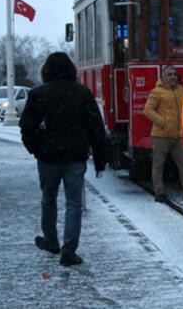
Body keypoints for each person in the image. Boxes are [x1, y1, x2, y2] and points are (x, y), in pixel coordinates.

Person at [19, 52, 110, 267]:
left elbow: (26, 128)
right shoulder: (82, 93)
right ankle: (69, 250)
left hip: (48, 156)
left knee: (48, 198)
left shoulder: (38, 94)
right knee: (73, 203)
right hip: (75, 155)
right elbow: (96, 128)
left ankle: (51, 241)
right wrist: (99, 158)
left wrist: (36, 149)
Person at [144, 65, 183, 203]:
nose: (172, 77)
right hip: (160, 135)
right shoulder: (157, 92)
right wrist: (163, 122)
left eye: (174, 74)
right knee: (158, 164)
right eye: (169, 74)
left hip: (177, 136)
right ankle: (159, 193)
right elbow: (148, 110)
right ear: (164, 77)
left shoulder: (180, 90)